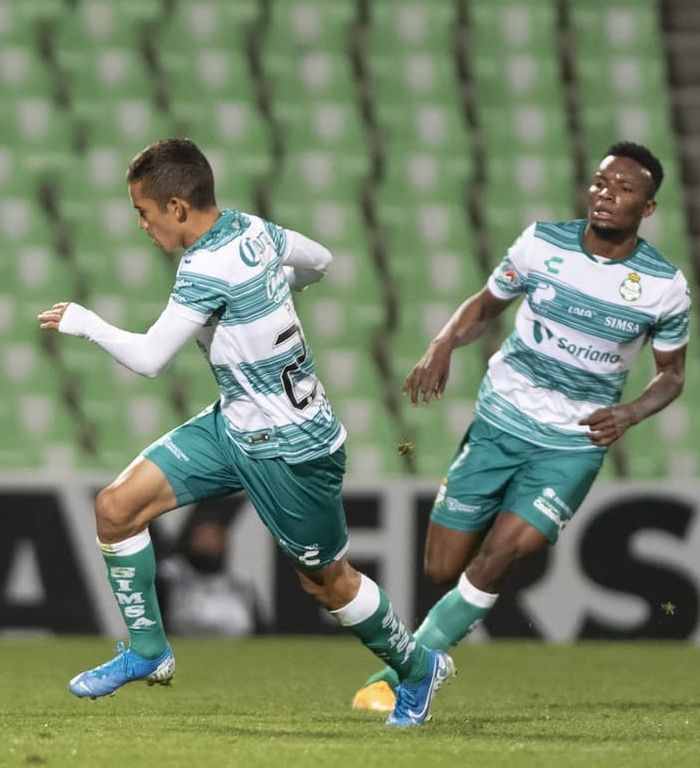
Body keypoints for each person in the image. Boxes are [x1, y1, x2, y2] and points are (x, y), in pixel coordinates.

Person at [38, 138, 453, 727]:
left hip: (292, 448)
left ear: (177, 207)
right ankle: (149, 651)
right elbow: (321, 260)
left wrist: (87, 324)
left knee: (328, 584)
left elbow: (151, 359)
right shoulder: (251, 230)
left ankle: (416, 667)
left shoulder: (205, 267)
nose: (141, 224)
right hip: (234, 423)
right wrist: (283, 285)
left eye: (143, 212)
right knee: (116, 509)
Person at [351, 141, 690, 713]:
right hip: (499, 422)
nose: (606, 195)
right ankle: (426, 650)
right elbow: (487, 305)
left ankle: (409, 670)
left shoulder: (663, 286)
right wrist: (443, 343)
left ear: (648, 207)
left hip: (573, 443)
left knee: (501, 555)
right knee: (440, 566)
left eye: (624, 189)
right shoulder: (542, 243)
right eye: (600, 182)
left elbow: (672, 374)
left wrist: (631, 411)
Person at [155, 501, 263, 637]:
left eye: (215, 537)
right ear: (190, 539)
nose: (209, 544)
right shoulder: (170, 577)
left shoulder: (241, 583)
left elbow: (262, 632)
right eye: (203, 537)